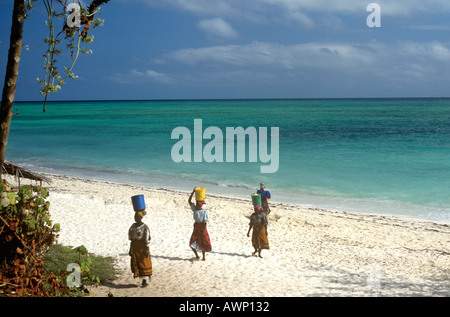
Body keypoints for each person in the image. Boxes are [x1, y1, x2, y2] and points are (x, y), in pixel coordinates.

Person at [128, 209, 152, 287]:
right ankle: (142, 279)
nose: (136, 218)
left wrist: (146, 248)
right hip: (135, 247)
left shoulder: (145, 227)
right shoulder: (133, 226)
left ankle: (144, 281)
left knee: (144, 263)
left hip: (142, 247)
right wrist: (130, 249)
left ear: (141, 217)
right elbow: (131, 239)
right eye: (135, 216)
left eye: (138, 216)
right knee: (137, 263)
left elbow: (147, 238)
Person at [188, 188, 212, 261]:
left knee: (203, 242)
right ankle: (197, 256)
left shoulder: (205, 212)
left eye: (198, 204)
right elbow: (189, 201)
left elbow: (205, 222)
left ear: (201, 205)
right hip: (196, 227)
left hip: (202, 227)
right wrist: (193, 192)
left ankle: (204, 257)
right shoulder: (194, 209)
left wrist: (204, 231)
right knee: (192, 242)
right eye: (197, 204)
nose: (197, 205)